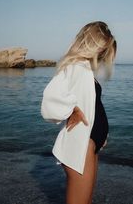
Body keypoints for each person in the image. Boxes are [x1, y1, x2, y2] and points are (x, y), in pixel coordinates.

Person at [41, 21, 117, 204]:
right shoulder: (76, 66)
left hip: (90, 144)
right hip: (82, 146)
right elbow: (50, 98)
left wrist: (101, 133)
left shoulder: (85, 70)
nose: (103, 54)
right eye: (101, 48)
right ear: (91, 43)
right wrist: (72, 110)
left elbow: (93, 104)